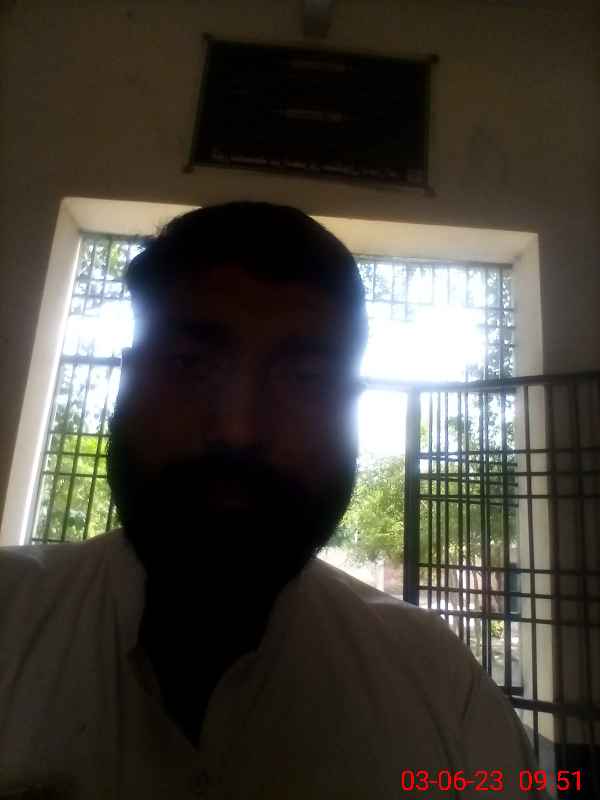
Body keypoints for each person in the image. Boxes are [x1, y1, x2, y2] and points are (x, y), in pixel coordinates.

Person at [0, 201, 542, 799]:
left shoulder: (442, 689)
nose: (238, 429)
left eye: (304, 379)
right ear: (128, 379)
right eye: (189, 364)